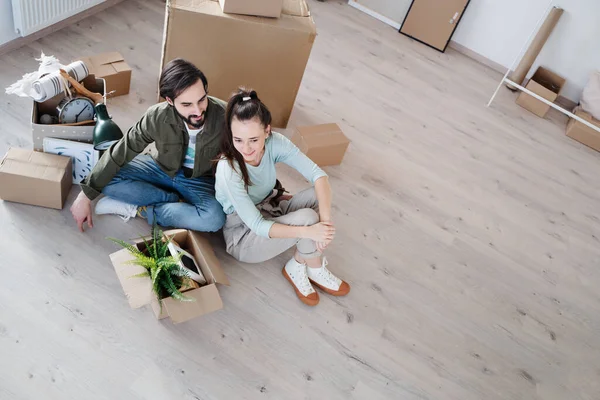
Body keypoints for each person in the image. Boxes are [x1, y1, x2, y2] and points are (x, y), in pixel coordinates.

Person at [215, 88, 350, 306]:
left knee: (318, 196)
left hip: (271, 208)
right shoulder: (228, 169)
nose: (246, 149)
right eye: (238, 139)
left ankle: (298, 263)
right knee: (306, 218)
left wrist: (324, 225)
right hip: (244, 235)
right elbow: (258, 225)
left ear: (267, 131)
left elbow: (319, 175)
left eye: (253, 139)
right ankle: (313, 267)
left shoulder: (275, 143)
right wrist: (310, 231)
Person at [70, 59, 226, 233]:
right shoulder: (156, 116)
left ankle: (142, 210)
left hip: (199, 179)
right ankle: (173, 200)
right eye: (187, 104)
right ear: (170, 100)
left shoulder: (226, 116)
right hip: (159, 168)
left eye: (202, 99)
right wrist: (84, 196)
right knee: (104, 179)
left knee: (214, 219)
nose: (198, 111)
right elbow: (122, 150)